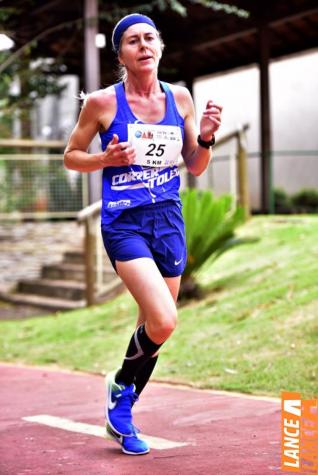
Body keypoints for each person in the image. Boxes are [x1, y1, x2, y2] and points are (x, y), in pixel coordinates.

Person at [64, 13, 222, 456]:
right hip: (125, 222)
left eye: (150, 37)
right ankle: (120, 389)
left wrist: (206, 138)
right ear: (122, 55)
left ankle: (123, 409)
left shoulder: (181, 98)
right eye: (133, 41)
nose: (144, 45)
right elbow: (72, 156)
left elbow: (194, 164)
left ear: (160, 47)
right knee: (165, 318)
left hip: (168, 220)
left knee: (153, 328)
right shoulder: (101, 103)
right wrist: (105, 161)